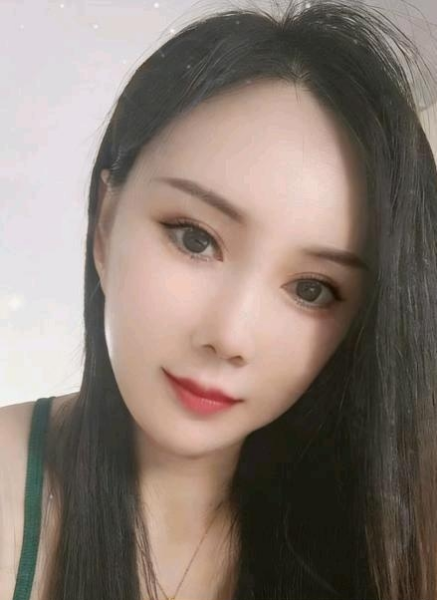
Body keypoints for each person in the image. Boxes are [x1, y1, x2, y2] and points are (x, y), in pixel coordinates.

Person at [1, 0, 437, 598]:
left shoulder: (390, 539)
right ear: (106, 222)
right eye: (194, 239)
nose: (229, 336)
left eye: (311, 289)